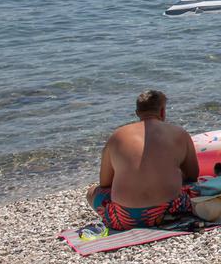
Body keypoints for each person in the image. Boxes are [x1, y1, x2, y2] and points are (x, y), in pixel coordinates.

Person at [86, 90, 204, 230]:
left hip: (124, 219)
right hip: (172, 211)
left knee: (92, 192)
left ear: (137, 113)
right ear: (162, 111)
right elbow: (192, 175)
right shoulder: (179, 133)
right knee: (199, 185)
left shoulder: (117, 136)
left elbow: (105, 183)